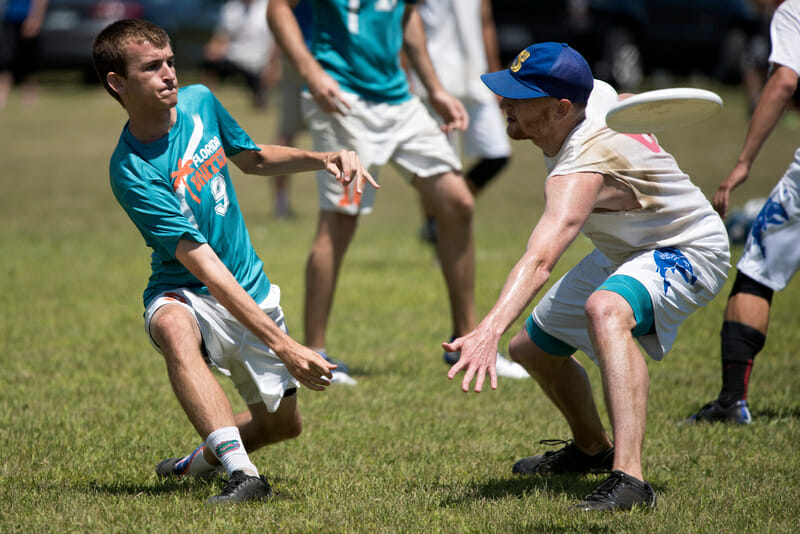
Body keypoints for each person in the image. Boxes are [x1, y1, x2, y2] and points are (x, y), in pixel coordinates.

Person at [91, 18, 375, 504]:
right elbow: (205, 268)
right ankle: (243, 476)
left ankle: (199, 460)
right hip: (190, 290)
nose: (169, 75)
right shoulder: (132, 170)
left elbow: (253, 157)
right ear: (117, 83)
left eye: (170, 62)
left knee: (283, 426)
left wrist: (322, 157)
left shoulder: (201, 102)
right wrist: (286, 345)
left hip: (251, 288)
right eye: (152, 67)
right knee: (174, 327)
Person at [445, 42, 730, 511]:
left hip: (688, 245)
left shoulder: (579, 168)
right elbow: (606, 93)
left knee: (606, 309)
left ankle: (631, 480)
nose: (503, 104)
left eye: (518, 97)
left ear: (560, 109)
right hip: (627, 246)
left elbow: (540, 261)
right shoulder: (589, 93)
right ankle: (593, 450)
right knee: (532, 350)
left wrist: (488, 330)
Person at [267, 0, 529, 381]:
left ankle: (466, 341)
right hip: (342, 99)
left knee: (457, 202)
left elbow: (406, 16)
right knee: (340, 221)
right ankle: (316, 355)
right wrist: (310, 71)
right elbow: (277, 9)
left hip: (399, 101)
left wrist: (435, 89)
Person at [687, 0, 800, 425]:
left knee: (757, 267)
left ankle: (732, 402)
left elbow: (784, 80)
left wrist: (743, 163)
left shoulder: (794, 10)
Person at [409, 0, 511, 245]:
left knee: (498, 154)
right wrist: (406, 73)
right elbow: (405, 19)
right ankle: (438, 231)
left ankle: (445, 213)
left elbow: (485, 23)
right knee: (440, 164)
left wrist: (495, 74)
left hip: (475, 79)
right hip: (433, 79)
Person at [270, 0, 312, 219]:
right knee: (286, 134)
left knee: (287, 133)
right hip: (314, 56)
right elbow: (279, 10)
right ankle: (347, 200)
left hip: (295, 56)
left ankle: (280, 203)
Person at [202, 0, 276, 109]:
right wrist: (211, 52)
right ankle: (206, 99)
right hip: (234, 57)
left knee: (259, 91)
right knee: (210, 63)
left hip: (257, 62)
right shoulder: (231, 8)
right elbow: (222, 36)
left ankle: (260, 98)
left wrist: (273, 65)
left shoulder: (268, 7)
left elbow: (273, 43)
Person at [0, 0, 49, 110]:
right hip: (9, 18)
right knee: (6, 58)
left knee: (29, 60)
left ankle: (30, 96)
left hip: (28, 18)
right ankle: (2, 95)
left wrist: (36, 17)